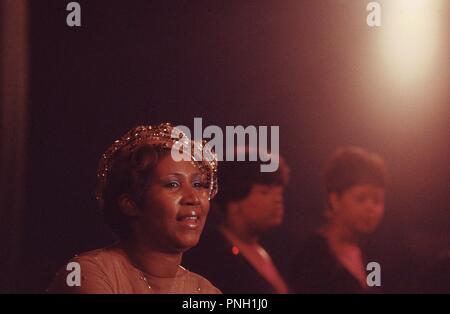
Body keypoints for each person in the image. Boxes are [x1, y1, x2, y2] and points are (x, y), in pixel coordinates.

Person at [48, 123, 220, 294]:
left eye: (199, 184)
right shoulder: (85, 273)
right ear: (130, 204)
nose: (193, 198)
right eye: (173, 184)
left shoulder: (206, 292)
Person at [184, 147, 290, 293]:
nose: (278, 200)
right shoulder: (214, 258)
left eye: (279, 192)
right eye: (265, 192)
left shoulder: (270, 250)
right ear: (234, 203)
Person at [291, 146, 387, 293]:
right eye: (361, 199)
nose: (371, 208)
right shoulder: (313, 257)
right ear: (335, 199)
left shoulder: (373, 254)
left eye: (377, 200)